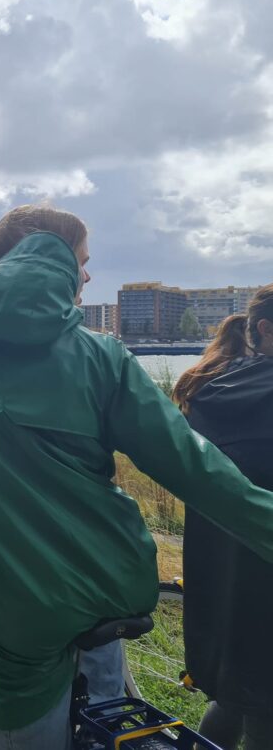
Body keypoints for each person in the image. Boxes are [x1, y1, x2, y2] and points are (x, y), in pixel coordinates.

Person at [0, 204, 273, 750]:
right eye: (82, 260)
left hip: (10, 604)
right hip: (106, 585)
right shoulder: (100, 354)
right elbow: (196, 469)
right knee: (109, 722)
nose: (88, 275)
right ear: (47, 259)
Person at [171, 285, 273, 750]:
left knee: (236, 698)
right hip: (262, 582)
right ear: (265, 330)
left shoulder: (212, 390)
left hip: (219, 582)